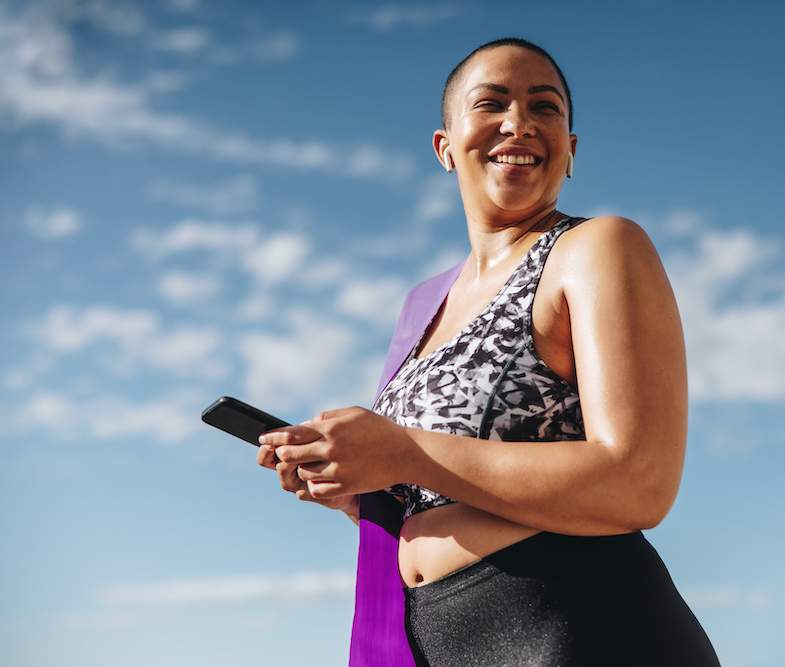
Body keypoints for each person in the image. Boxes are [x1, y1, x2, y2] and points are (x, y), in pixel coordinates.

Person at [255, 37, 722, 666]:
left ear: (571, 150)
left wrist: (402, 450)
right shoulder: (423, 303)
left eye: (544, 107)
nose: (519, 122)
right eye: (492, 102)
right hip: (437, 640)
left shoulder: (593, 248)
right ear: (446, 147)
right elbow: (441, 484)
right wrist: (360, 485)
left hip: (576, 627)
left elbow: (639, 482)